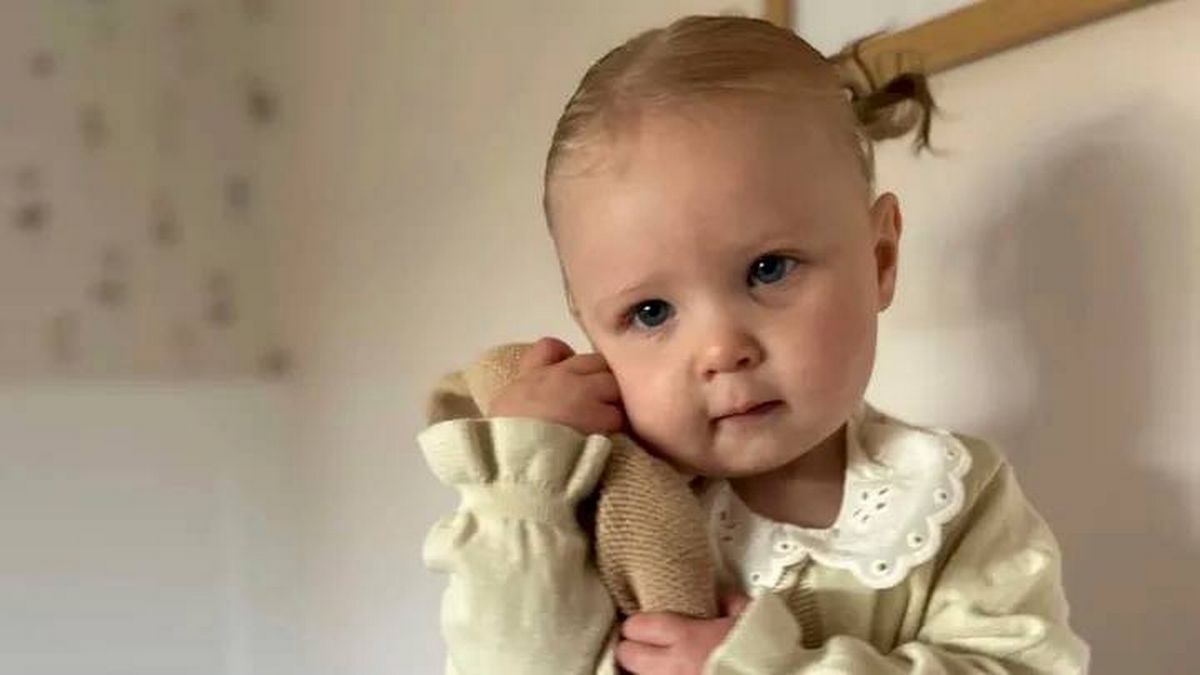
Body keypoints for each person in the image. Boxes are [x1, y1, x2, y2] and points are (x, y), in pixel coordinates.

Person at [419, 15, 1089, 675]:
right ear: (594, 332)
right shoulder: (585, 504)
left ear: (878, 258)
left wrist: (769, 667)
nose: (720, 348)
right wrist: (522, 490)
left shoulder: (951, 496)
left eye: (769, 269)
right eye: (651, 311)